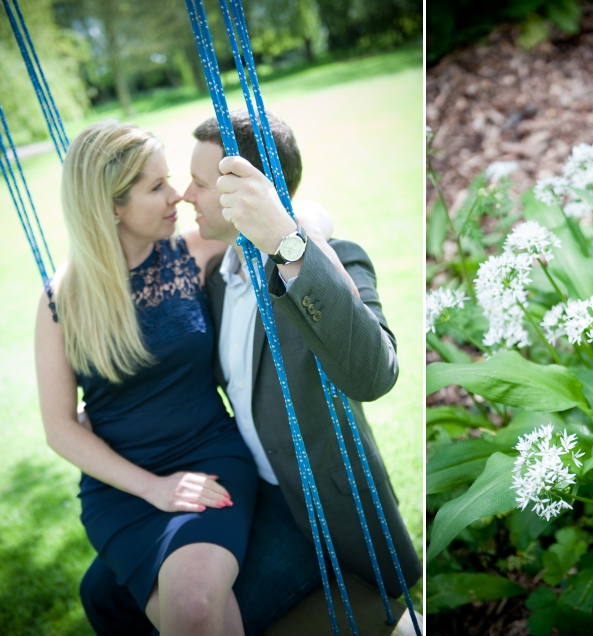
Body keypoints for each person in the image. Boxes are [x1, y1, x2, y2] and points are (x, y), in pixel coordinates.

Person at [78, 110, 422, 636]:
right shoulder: (215, 277)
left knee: (185, 618)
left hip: (306, 510)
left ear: (248, 192)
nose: (185, 196)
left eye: (198, 182)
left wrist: (293, 238)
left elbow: (376, 375)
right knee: (99, 591)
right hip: (242, 483)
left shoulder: (329, 264)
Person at [34, 120, 333, 636]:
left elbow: (300, 216)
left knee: (194, 611)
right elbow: (59, 428)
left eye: (167, 178)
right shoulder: (63, 298)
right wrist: (153, 489)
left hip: (208, 458)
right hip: (121, 488)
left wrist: (301, 227)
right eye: (156, 187)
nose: (177, 195)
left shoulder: (190, 254)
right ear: (111, 207)